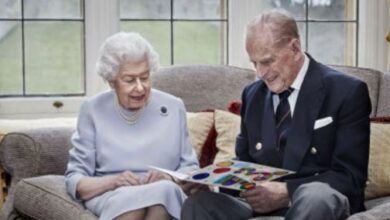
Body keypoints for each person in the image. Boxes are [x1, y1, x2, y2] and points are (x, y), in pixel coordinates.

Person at [181, 9, 371, 220]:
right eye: (254, 63)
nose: (260, 73)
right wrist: (212, 185)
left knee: (316, 196)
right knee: (200, 204)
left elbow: (351, 177)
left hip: (315, 203)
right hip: (258, 206)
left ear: (295, 48)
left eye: (267, 61)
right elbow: (244, 165)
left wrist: (287, 192)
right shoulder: (252, 94)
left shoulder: (346, 91)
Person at [65, 32, 200, 220]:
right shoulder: (92, 109)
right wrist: (114, 181)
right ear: (112, 81)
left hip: (165, 191)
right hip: (112, 193)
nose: (140, 87)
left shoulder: (173, 106)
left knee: (163, 192)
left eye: (144, 77)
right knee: (139, 202)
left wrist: (170, 178)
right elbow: (76, 180)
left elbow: (190, 169)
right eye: (129, 80)